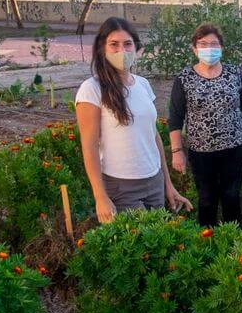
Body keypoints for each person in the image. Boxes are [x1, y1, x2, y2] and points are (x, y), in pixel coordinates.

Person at [75, 17, 191, 223]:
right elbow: (89, 146)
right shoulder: (91, 89)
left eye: (128, 44)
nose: (122, 50)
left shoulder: (143, 85)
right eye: (114, 44)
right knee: (136, 249)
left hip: (153, 181)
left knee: (156, 245)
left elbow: (152, 135)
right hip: (121, 187)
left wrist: (167, 184)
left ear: (136, 48)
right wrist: (100, 196)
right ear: (102, 49)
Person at [169, 22, 242, 226]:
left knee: (232, 198)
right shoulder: (184, 78)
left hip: (234, 148)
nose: (209, 48)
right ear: (194, 49)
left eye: (214, 44)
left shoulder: (234, 73)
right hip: (201, 152)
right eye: (203, 44)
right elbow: (175, 118)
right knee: (207, 200)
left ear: (221, 48)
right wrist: (177, 151)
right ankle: (207, 246)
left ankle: (235, 247)